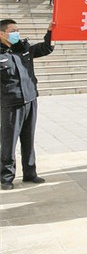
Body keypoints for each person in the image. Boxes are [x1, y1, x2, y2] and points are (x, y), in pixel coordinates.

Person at [0, 20, 54, 190]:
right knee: (9, 142)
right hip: (11, 104)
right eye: (13, 31)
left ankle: (30, 173)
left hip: (30, 100)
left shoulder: (24, 48)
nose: (17, 33)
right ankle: (6, 178)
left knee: (28, 139)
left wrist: (51, 32)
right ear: (2, 33)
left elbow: (46, 48)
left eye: (18, 30)